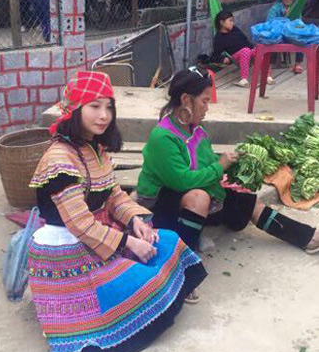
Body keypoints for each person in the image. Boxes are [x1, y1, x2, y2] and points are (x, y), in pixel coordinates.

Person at [26, 71, 208, 352]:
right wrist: (128, 242)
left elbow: (113, 195)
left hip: (100, 235)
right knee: (145, 284)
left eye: (108, 107)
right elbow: (80, 225)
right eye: (94, 106)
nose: (104, 115)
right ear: (75, 109)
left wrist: (135, 220)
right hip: (69, 252)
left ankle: (159, 289)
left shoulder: (95, 148)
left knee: (170, 241)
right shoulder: (59, 159)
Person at [136, 69, 319, 288]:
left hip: (193, 193)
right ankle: (182, 268)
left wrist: (233, 170)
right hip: (160, 204)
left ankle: (306, 236)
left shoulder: (195, 129)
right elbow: (182, 181)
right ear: (186, 99)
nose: (207, 107)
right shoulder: (163, 137)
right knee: (199, 197)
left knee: (249, 201)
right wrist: (220, 165)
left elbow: (206, 163)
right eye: (204, 101)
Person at [211, 10, 269, 87]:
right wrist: (223, 59)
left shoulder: (235, 30)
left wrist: (253, 50)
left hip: (248, 51)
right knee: (245, 50)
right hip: (236, 56)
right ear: (221, 22)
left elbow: (245, 40)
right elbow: (215, 56)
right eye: (230, 21)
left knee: (259, 50)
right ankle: (244, 79)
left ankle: (266, 76)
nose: (232, 23)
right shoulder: (219, 38)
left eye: (233, 21)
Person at [267, 0, 304, 75]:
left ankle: (297, 64)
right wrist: (284, 19)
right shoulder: (275, 8)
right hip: (278, 33)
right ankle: (268, 68)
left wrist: (296, 27)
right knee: (274, 40)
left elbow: (299, 23)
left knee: (301, 38)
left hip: (291, 34)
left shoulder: (296, 8)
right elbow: (269, 22)